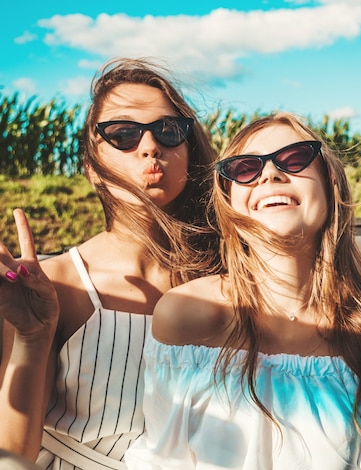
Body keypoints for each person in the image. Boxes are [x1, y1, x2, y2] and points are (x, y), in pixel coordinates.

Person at [124, 112, 361, 469]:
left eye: (294, 158)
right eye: (245, 168)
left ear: (330, 185)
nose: (270, 174)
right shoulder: (186, 314)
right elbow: (164, 460)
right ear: (229, 200)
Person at [0, 58, 220, 468]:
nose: (151, 146)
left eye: (169, 131)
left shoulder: (223, 280)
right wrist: (32, 335)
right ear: (92, 168)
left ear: (190, 155)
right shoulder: (55, 284)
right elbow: (13, 454)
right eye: (123, 134)